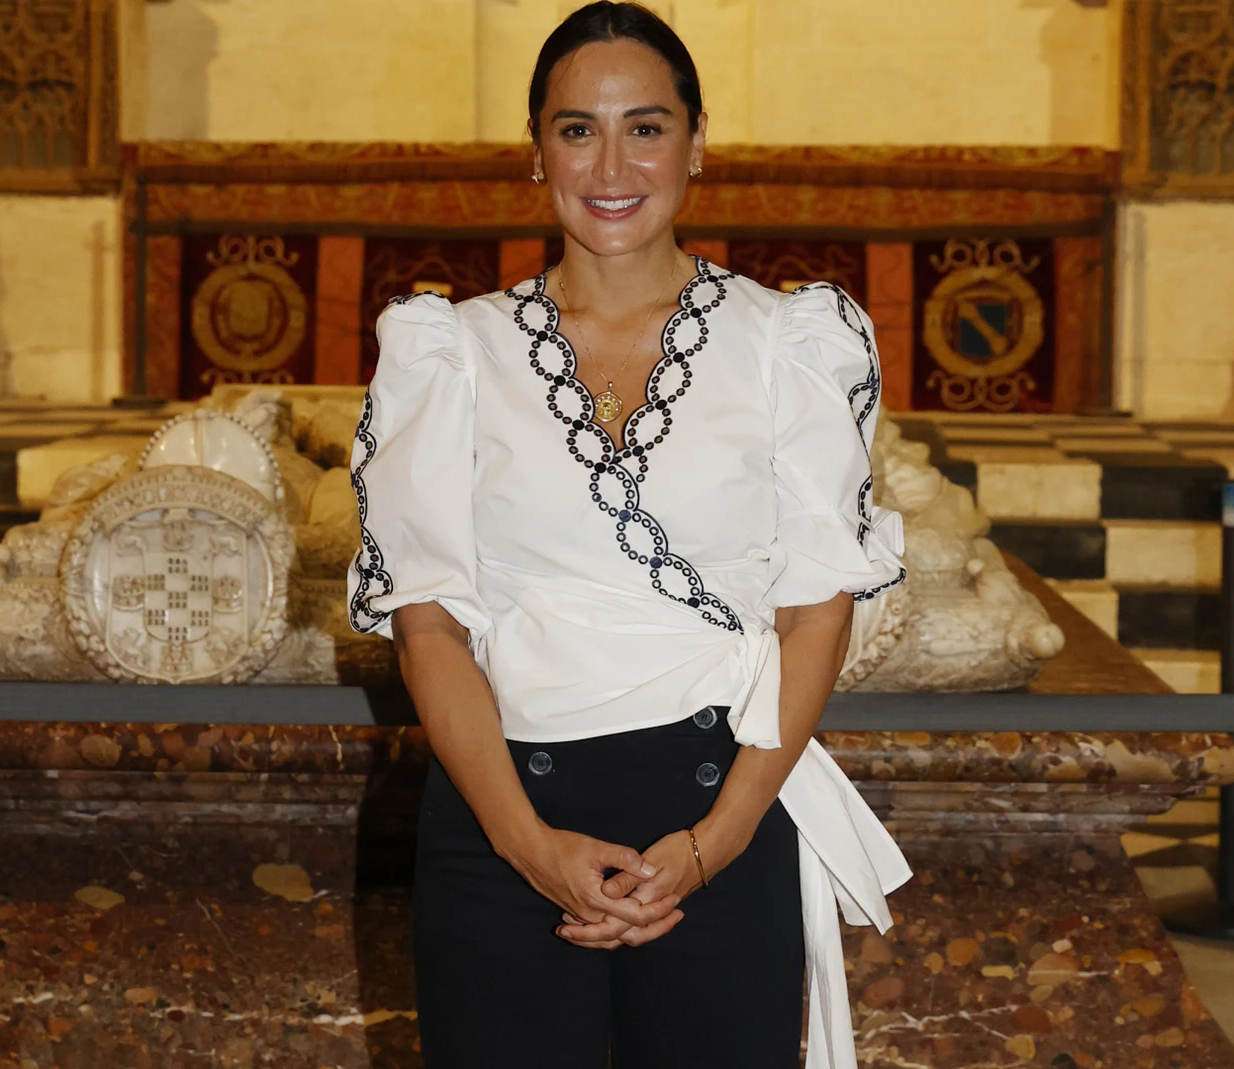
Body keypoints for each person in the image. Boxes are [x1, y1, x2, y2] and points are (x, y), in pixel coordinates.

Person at [346, 3, 910, 1065]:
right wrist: (528, 847)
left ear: (697, 144)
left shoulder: (787, 344)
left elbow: (816, 607)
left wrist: (717, 841)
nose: (611, 163)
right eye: (576, 129)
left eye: (645, 128)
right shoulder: (450, 353)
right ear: (536, 154)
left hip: (723, 812)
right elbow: (428, 630)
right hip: (499, 820)